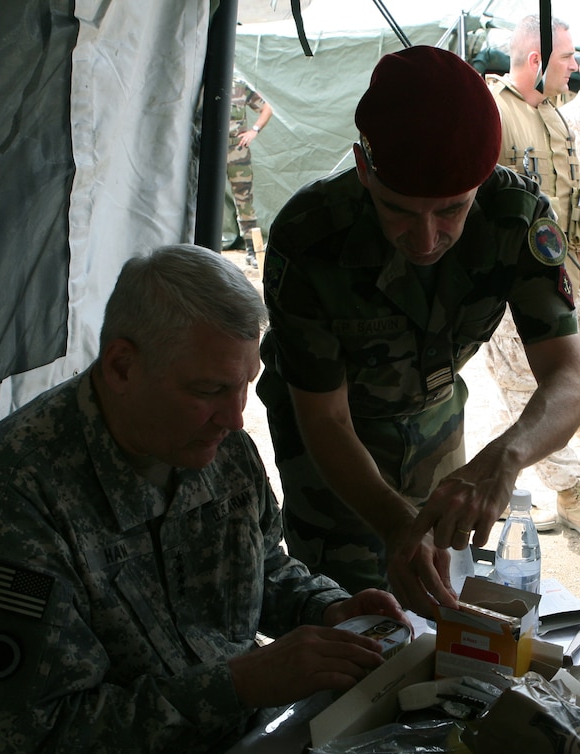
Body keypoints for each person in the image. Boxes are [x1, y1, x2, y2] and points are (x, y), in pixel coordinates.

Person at [0, 243, 409, 754]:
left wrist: (323, 607)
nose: (234, 417)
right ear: (120, 366)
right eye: (208, 390)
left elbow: (263, 568)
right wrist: (237, 685)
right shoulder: (12, 509)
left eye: (244, 387)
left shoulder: (215, 446)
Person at [257, 46, 580, 620]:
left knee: (444, 597)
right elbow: (324, 420)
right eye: (399, 211)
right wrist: (396, 525)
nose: (427, 238)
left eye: (452, 210)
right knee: (358, 611)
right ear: (363, 167)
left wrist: (504, 458)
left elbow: (571, 376)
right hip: (333, 444)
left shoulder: (514, 216)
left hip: (434, 418)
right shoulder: (311, 239)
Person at [484, 14, 580, 533]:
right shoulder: (495, 113)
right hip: (513, 291)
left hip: (561, 279)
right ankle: (571, 492)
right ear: (538, 61)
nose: (576, 65)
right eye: (568, 57)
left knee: (523, 389)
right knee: (531, 387)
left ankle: (493, 479)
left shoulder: (555, 114)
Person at [228, 74, 273, 267]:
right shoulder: (199, 84)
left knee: (244, 200)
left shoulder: (239, 85)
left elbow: (267, 108)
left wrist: (254, 130)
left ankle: (251, 251)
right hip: (205, 149)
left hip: (236, 150)